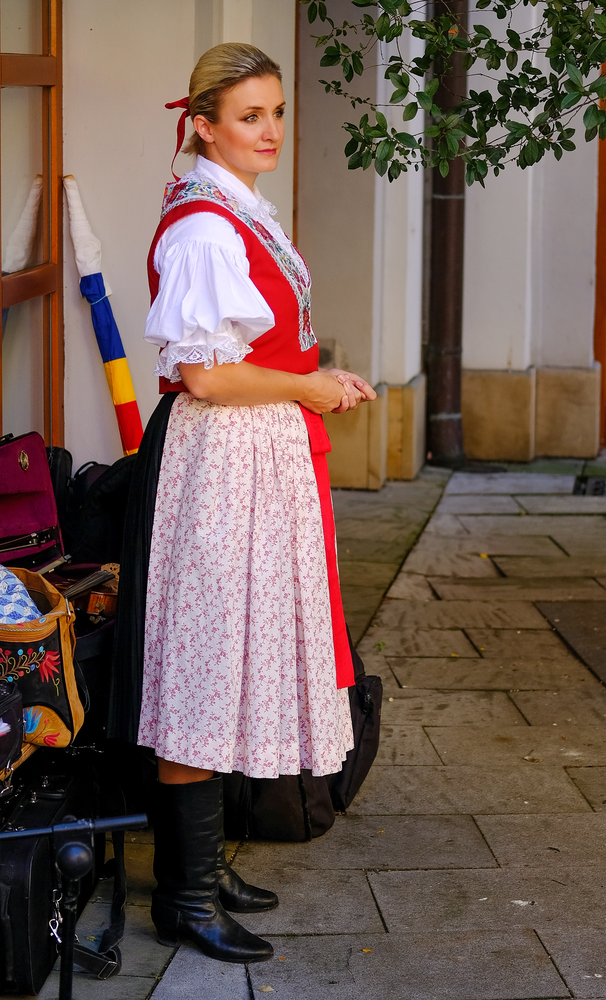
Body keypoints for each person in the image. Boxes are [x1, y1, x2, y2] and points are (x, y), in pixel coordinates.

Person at [108, 43, 376, 965]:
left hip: (258, 455)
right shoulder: (204, 227)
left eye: (276, 113)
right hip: (223, 461)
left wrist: (311, 383)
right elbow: (205, 375)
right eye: (249, 116)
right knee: (205, 663)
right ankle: (183, 900)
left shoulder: (236, 207)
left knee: (233, 656)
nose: (269, 131)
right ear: (205, 125)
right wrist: (309, 388)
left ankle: (201, 869)